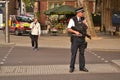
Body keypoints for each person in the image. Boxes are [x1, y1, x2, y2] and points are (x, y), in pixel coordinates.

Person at [67, 7, 91, 73]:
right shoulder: (72, 19)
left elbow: (87, 27)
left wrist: (85, 23)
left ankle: (82, 67)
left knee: (82, 54)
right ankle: (71, 67)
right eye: (82, 12)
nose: (83, 13)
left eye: (83, 12)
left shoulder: (83, 19)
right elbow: (69, 29)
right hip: (75, 39)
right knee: (73, 54)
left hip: (82, 39)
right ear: (78, 13)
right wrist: (75, 32)